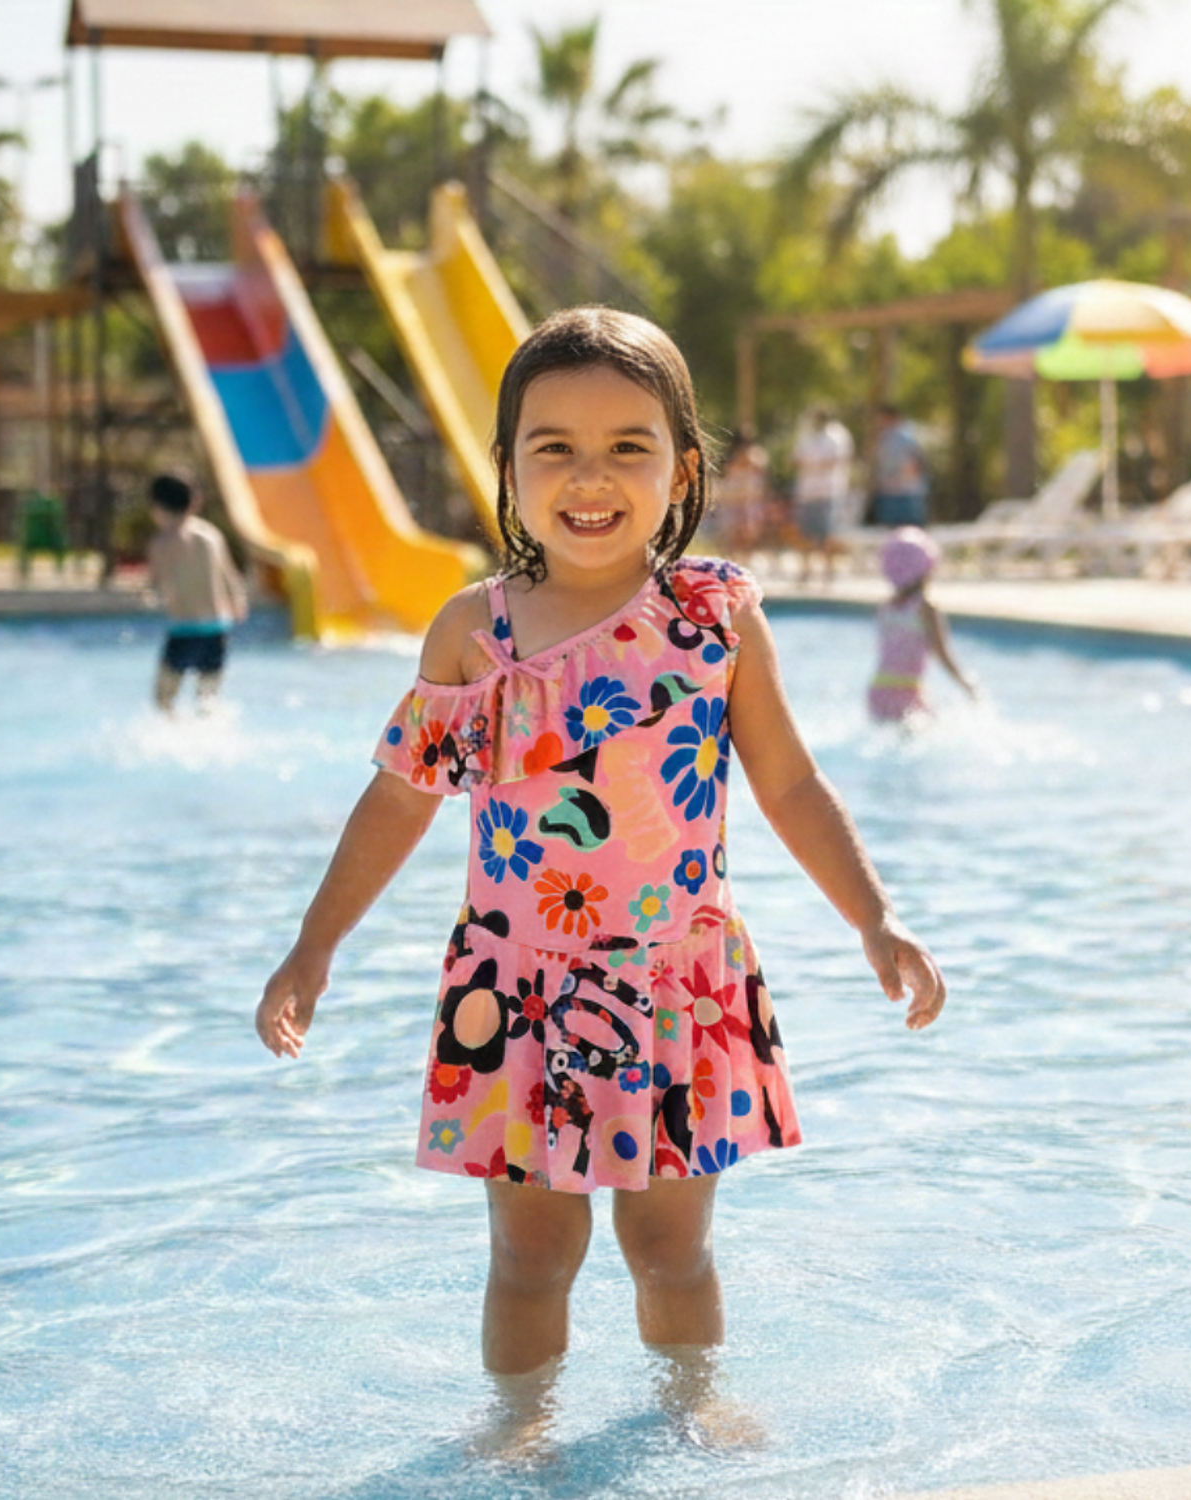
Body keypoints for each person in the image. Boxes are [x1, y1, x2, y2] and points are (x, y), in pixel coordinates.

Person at [255, 308, 946, 1433]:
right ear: (509, 469)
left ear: (682, 470)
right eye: (555, 448)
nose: (591, 476)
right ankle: (519, 1425)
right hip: (519, 990)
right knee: (532, 1255)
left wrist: (874, 918)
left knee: (672, 1247)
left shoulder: (714, 619)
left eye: (629, 446)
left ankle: (690, 1402)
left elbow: (789, 783)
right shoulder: (476, 633)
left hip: (679, 981)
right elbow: (400, 797)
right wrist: (314, 944)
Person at [146, 473, 249, 712]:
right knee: (208, 699)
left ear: (158, 508)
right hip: (216, 629)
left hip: (183, 631)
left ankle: (173, 736)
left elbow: (156, 585)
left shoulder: (161, 544)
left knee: (163, 699)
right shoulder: (211, 536)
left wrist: (148, 595)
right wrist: (238, 603)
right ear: (193, 503)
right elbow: (231, 576)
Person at [869, 527, 977, 721]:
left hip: (878, 690)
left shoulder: (886, 607)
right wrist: (966, 683)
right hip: (908, 690)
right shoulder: (926, 609)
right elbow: (941, 653)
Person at [790, 405, 854, 583]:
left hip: (829, 491)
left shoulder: (838, 436)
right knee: (805, 533)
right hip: (807, 491)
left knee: (828, 533)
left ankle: (828, 570)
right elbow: (796, 459)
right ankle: (805, 570)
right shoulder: (806, 435)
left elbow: (836, 460)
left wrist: (813, 465)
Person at [712, 429, 769, 560]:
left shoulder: (756, 455)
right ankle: (733, 558)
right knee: (732, 534)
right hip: (732, 500)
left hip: (749, 500)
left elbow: (760, 469)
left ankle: (744, 559)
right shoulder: (730, 457)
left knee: (749, 534)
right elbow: (725, 473)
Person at [869, 403, 929, 528]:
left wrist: (904, 477)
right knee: (891, 532)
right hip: (889, 491)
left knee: (911, 530)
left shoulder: (908, 435)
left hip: (907, 492)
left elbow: (916, 462)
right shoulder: (884, 437)